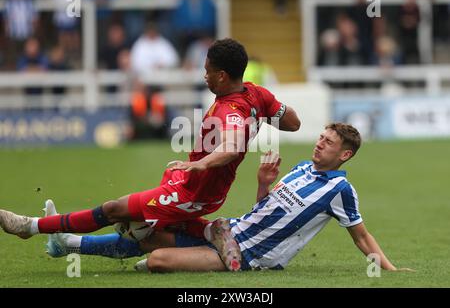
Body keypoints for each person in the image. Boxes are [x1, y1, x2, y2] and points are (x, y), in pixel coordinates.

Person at [0, 38, 301, 271]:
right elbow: (293, 122)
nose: (204, 76)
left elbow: (233, 146)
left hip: (192, 191)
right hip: (193, 184)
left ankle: (29, 227)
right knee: (143, 233)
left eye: (207, 71)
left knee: (115, 211)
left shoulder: (230, 109)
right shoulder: (256, 94)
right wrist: (262, 116)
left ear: (222, 76)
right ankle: (209, 231)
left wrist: (200, 165)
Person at [43, 124, 414, 273]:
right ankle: (67, 243)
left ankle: (78, 242)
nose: (319, 143)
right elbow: (264, 211)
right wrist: (263, 183)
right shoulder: (301, 169)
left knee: (155, 257)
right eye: (320, 137)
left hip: (248, 255)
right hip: (230, 230)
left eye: (328, 142)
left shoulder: (339, 190)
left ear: (344, 155)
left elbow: (361, 236)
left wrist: (391, 270)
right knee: (150, 229)